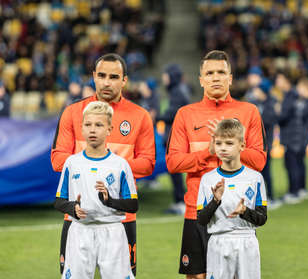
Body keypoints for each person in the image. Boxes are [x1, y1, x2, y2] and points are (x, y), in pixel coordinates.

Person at [51, 53, 156, 276]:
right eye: (101, 76)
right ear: (93, 77)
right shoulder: (72, 112)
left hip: (121, 219)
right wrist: (93, 161)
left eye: (114, 77)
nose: (107, 82)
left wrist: (111, 165)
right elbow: (58, 160)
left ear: (124, 80)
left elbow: (148, 163)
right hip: (77, 218)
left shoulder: (140, 116)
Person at [166, 50, 267, 279]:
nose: (215, 77)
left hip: (237, 217)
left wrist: (230, 145)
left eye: (221, 72)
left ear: (230, 78)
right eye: (209, 73)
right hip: (197, 212)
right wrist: (208, 152)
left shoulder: (248, 112)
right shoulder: (185, 114)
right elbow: (173, 163)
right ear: (201, 80)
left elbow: (259, 160)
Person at [54, 101, 138, 278]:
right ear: (82, 129)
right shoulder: (72, 163)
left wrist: (109, 201)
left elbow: (133, 205)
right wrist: (73, 209)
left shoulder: (120, 165)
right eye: (88, 125)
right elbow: (59, 201)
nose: (92, 130)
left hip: (112, 231)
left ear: (109, 129)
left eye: (99, 125)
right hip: (80, 231)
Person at [197, 119, 267, 279]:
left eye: (229, 143)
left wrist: (244, 211)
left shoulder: (255, 178)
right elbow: (201, 220)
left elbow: (262, 219)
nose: (223, 148)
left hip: (247, 241)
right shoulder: (208, 179)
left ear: (242, 145)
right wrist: (215, 201)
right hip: (218, 242)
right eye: (219, 143)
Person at [276, 73, 308, 204]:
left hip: (295, 139)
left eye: (300, 87)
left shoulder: (304, 104)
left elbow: (290, 120)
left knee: (292, 165)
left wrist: (279, 110)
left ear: (306, 88)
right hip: (300, 139)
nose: (297, 90)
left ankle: (294, 192)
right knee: (299, 164)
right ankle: (301, 189)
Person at [159, 64, 190, 215]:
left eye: (166, 75)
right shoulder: (176, 91)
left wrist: (157, 117)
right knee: (174, 171)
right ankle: (180, 201)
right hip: (174, 137)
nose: (164, 78)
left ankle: (181, 202)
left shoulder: (178, 92)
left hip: (176, 138)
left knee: (175, 171)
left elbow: (173, 114)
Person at [246, 72, 281, 209]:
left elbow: (267, 121)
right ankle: (255, 198)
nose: (255, 91)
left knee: (266, 172)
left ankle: (271, 197)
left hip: (266, 145)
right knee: (253, 173)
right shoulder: (254, 103)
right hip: (253, 146)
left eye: (258, 89)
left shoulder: (270, 105)